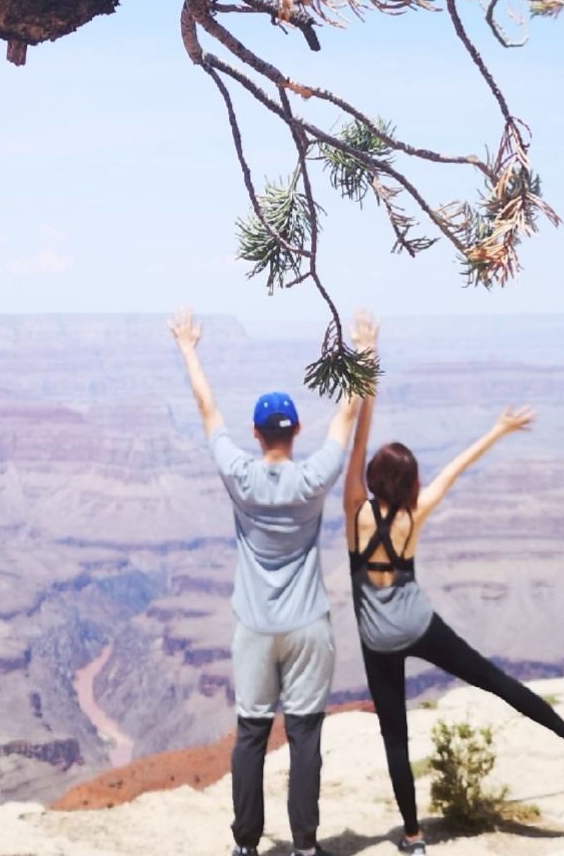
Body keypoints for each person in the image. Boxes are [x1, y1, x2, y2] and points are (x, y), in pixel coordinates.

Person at [342, 311, 564, 855]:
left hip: (378, 640)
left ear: (372, 478)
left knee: (395, 734)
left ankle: (412, 838)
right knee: (491, 678)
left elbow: (356, 443)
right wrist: (498, 430)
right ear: (410, 481)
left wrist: (367, 365)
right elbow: (455, 468)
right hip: (418, 624)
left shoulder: (353, 511)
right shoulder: (418, 511)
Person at [170, 307, 360, 856]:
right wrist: (364, 351)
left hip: (254, 627)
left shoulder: (240, 474)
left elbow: (207, 410)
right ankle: (304, 848)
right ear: (298, 430)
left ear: (254, 433)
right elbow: (345, 419)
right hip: (307, 626)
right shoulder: (314, 477)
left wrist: (188, 347)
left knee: (251, 736)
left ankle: (246, 847)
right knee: (304, 739)